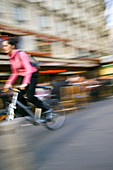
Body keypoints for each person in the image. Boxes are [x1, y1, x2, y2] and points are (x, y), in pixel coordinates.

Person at [2, 38, 52, 120]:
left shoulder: (21, 54)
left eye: (6, 46)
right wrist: (8, 83)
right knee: (19, 96)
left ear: (12, 46)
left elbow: (28, 69)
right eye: (3, 46)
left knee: (30, 96)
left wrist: (25, 83)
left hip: (32, 75)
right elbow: (14, 72)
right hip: (24, 76)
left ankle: (46, 109)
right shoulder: (11, 57)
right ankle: (27, 114)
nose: (4, 47)